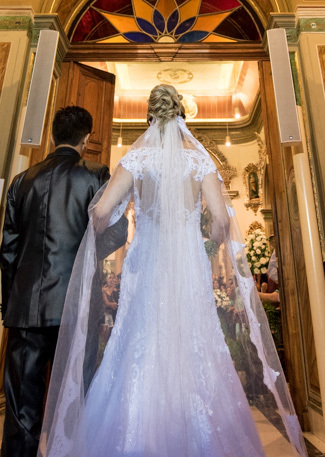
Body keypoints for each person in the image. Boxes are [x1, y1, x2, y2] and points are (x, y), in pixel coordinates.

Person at [41, 85, 303, 457]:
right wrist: (203, 239)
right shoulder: (200, 161)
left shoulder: (137, 159)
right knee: (194, 340)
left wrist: (114, 222)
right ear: (182, 116)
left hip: (145, 266)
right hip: (188, 268)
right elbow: (221, 223)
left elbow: (99, 213)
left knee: (138, 339)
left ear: (149, 118)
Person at [0, 106, 111, 457]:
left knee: (21, 407)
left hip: (25, 306)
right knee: (73, 398)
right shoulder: (96, 175)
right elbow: (116, 232)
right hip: (76, 303)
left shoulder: (22, 179)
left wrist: (9, 302)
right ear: (87, 138)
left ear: (51, 135)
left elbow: (9, 250)